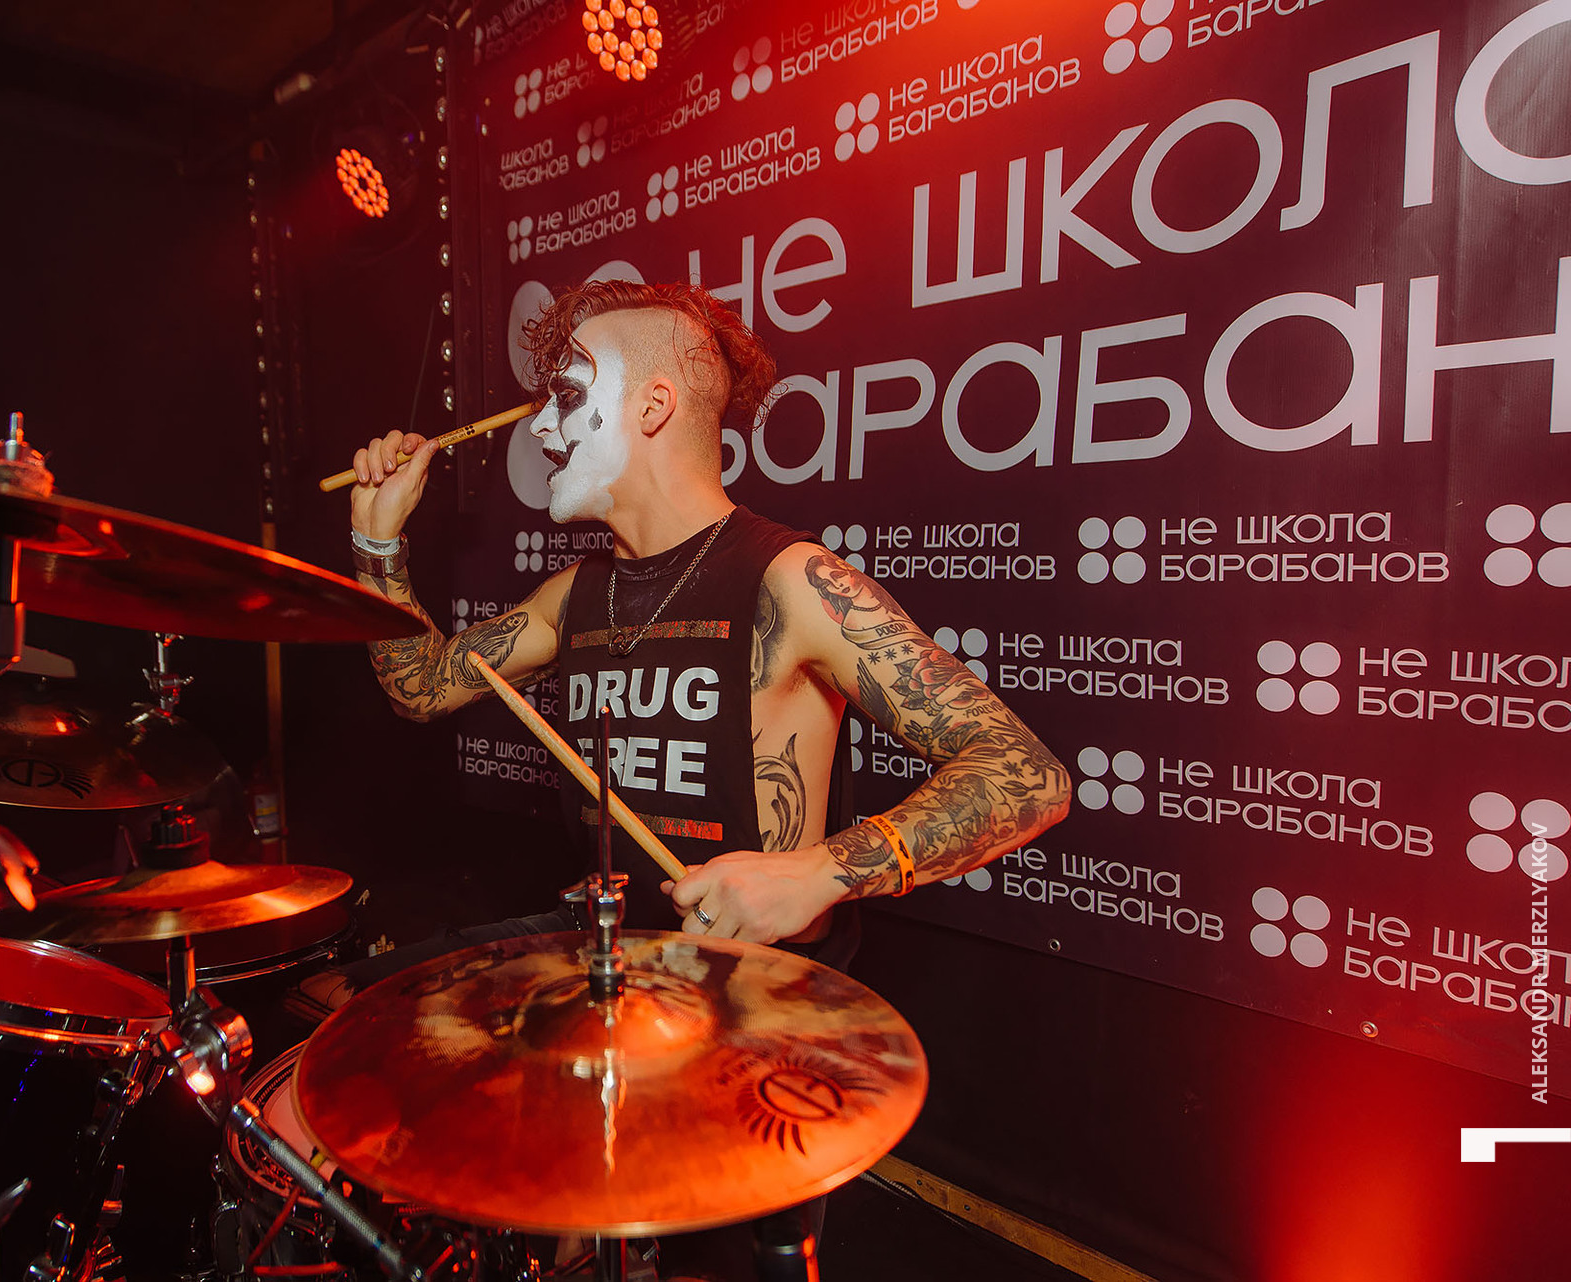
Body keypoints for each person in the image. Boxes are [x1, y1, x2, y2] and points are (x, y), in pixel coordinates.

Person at [341, 279, 1071, 1279]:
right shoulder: (576, 593)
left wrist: (820, 871)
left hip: (751, 1026)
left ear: (652, 406)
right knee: (364, 1026)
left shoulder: (791, 582)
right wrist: (378, 542)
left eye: (567, 397)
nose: (543, 430)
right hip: (612, 980)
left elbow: (1027, 774)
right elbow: (420, 688)